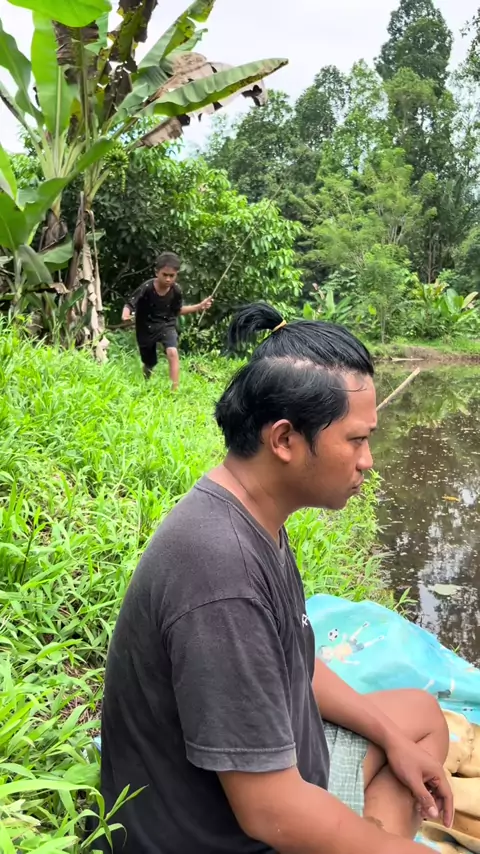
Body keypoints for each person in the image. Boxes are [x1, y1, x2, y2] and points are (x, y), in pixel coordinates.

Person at [100, 303, 452, 854]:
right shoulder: (221, 571)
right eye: (356, 440)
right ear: (284, 440)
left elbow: (294, 662)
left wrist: (391, 739)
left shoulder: (253, 513)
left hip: (282, 773)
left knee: (419, 719)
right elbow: (270, 812)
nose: (368, 461)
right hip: (226, 832)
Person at [121, 251, 213, 390]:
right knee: (149, 362)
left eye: (172, 276)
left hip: (166, 325)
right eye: (165, 275)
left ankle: (174, 391)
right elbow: (130, 304)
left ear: (176, 275)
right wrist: (125, 315)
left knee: (172, 352)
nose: (168, 279)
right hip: (145, 326)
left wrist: (199, 307)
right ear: (156, 272)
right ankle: (146, 381)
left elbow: (177, 310)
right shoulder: (147, 287)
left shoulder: (176, 290)